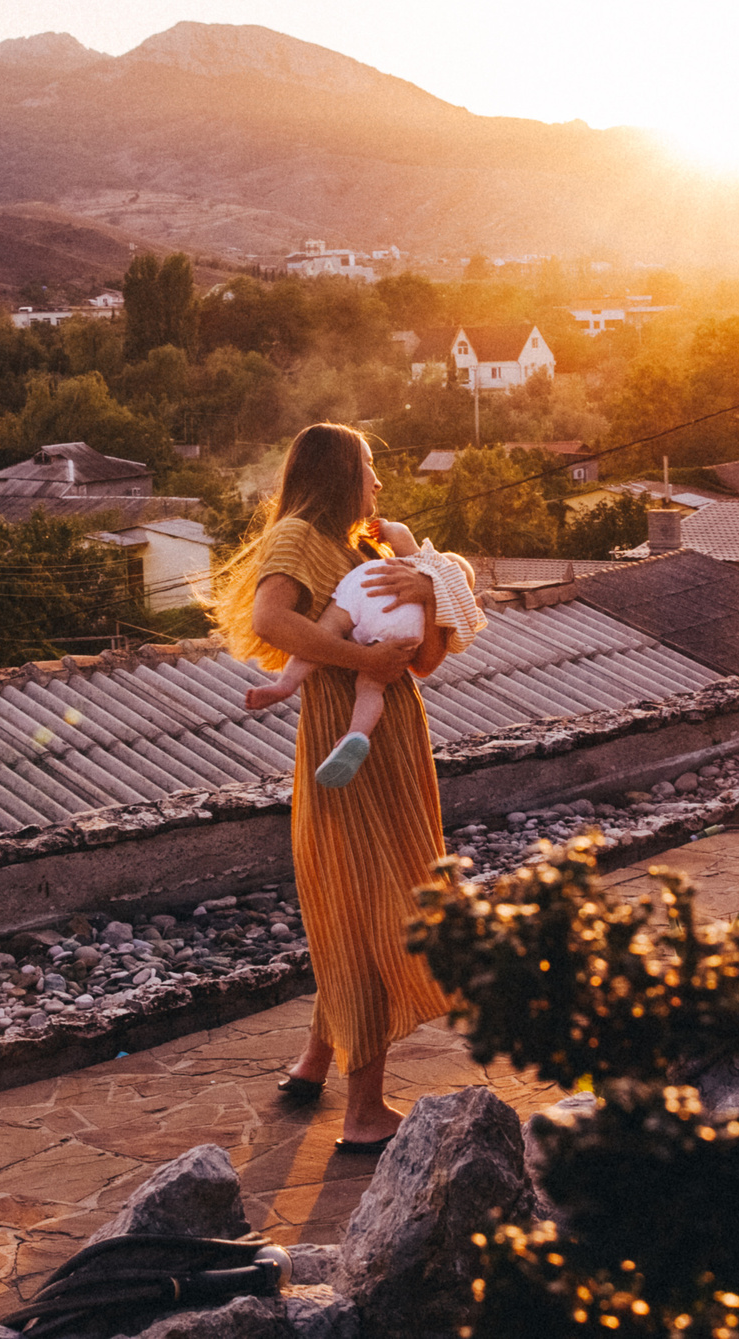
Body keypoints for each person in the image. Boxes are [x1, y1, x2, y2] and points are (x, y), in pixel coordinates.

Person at [217, 423, 454, 1152]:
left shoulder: (361, 548)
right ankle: (365, 1109)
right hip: (343, 735)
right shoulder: (295, 535)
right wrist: (361, 657)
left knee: (363, 892)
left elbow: (425, 659)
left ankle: (315, 1062)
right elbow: (271, 617)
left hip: (387, 737)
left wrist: (430, 580)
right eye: (371, 468)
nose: (380, 484)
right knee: (373, 903)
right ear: (339, 470)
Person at [237, 513, 486, 788]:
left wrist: (386, 527)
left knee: (327, 630)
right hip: (408, 627)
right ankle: (356, 734)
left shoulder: (425, 561)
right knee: (371, 685)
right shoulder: (446, 606)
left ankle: (285, 684)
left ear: (441, 559)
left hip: (371, 589)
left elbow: (400, 533)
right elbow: (425, 661)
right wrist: (434, 598)